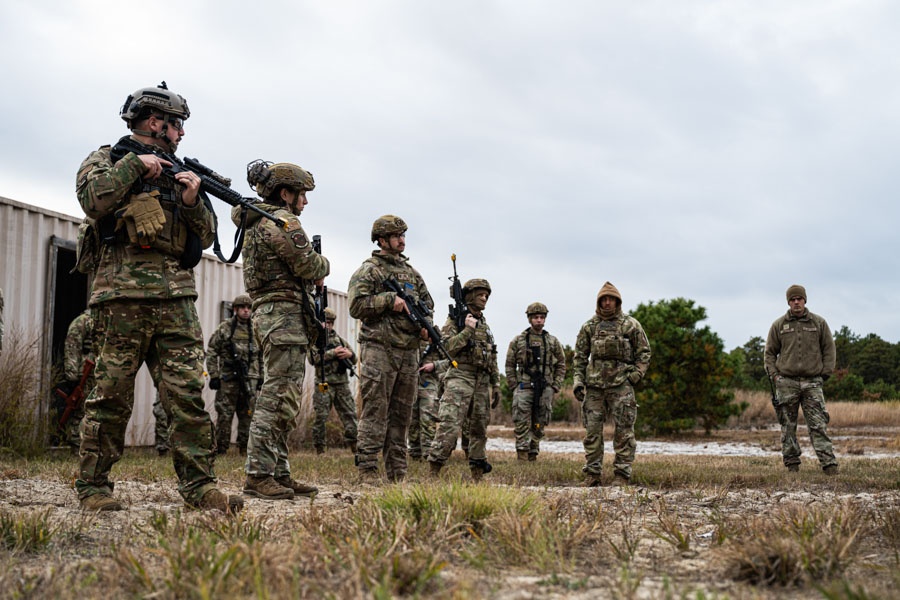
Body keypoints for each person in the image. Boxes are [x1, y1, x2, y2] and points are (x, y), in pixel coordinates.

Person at [74, 82, 242, 513]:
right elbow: (93, 200)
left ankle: (201, 486)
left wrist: (190, 200)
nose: (181, 133)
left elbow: (206, 236)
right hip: (121, 296)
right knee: (110, 395)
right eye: (176, 124)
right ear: (155, 122)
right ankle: (94, 487)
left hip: (176, 299)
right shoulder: (107, 159)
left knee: (186, 395)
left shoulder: (182, 170)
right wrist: (135, 167)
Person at [234, 159, 328, 500]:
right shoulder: (281, 221)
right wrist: (323, 265)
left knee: (283, 394)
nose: (305, 202)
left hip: (273, 314)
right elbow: (309, 263)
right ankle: (258, 475)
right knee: (277, 396)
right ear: (285, 194)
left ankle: (279, 472)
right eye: (302, 194)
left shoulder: (257, 222)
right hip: (283, 316)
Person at [348, 215, 434, 483]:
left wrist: (425, 327)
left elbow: (427, 306)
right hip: (379, 350)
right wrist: (388, 300)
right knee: (375, 411)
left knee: (402, 415)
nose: (402, 240)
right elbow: (356, 306)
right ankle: (368, 470)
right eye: (396, 236)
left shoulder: (412, 273)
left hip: (408, 352)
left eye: (403, 236)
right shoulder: (369, 270)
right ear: (382, 240)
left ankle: (398, 472)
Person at [573, 282, 650, 486]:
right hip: (595, 387)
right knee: (592, 432)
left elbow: (644, 353)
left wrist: (635, 375)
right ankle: (592, 474)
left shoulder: (630, 325)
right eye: (603, 299)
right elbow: (580, 357)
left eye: (611, 299)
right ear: (599, 302)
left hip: (621, 386)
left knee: (624, 430)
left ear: (617, 301)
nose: (607, 303)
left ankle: (622, 475)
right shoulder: (589, 327)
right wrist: (578, 382)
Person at [427, 278, 500, 481]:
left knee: (478, 428)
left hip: (481, 380)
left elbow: (491, 355)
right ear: (469, 296)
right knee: (449, 425)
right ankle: (434, 470)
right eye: (480, 294)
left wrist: (496, 384)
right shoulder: (455, 321)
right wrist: (467, 330)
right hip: (460, 376)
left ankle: (477, 472)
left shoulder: (484, 325)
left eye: (486, 294)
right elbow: (446, 347)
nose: (484, 298)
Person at [764, 284, 838, 474]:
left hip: (813, 382)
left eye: (799, 299)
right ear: (788, 302)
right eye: (792, 299)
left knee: (818, 424)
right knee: (787, 426)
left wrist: (824, 374)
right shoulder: (779, 325)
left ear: (805, 300)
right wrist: (775, 376)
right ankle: (792, 464)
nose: (796, 302)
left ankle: (829, 465)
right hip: (786, 383)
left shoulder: (818, 323)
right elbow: (769, 353)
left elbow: (829, 349)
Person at [505, 302, 566, 461]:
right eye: (535, 317)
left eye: (541, 317)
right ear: (530, 319)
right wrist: (514, 385)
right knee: (522, 423)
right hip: (524, 387)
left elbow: (561, 364)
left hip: (545, 388)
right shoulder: (518, 340)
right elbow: (509, 364)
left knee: (540, 422)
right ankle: (522, 455)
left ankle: (533, 451)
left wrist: (555, 385)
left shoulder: (552, 341)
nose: (539, 320)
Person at [206, 294, 261, 456]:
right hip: (228, 380)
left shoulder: (256, 329)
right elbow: (211, 351)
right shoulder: (225, 328)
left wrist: (261, 377)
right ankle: (221, 449)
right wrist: (214, 375)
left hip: (250, 380)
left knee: (247, 416)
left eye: (248, 308)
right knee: (224, 415)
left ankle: (244, 449)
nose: (246, 311)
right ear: (235, 309)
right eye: (242, 308)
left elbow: (262, 355)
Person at [310, 306, 358, 455]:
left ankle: (356, 447)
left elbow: (355, 358)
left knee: (350, 415)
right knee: (321, 416)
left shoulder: (340, 340)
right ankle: (320, 449)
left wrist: (349, 354)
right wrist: (332, 353)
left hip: (341, 384)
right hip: (324, 384)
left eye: (330, 323)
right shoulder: (315, 341)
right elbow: (313, 359)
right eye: (325, 322)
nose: (328, 325)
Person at [58, 310, 95, 446]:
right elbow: (72, 348)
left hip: (102, 375)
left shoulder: (108, 320)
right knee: (80, 409)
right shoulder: (82, 321)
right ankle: (76, 443)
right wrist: (72, 377)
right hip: (86, 375)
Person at [408, 340, 450, 461]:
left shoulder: (437, 340)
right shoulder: (410, 335)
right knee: (412, 419)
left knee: (427, 419)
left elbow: (450, 360)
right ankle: (415, 453)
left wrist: (434, 365)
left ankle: (428, 452)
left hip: (429, 384)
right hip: (410, 382)